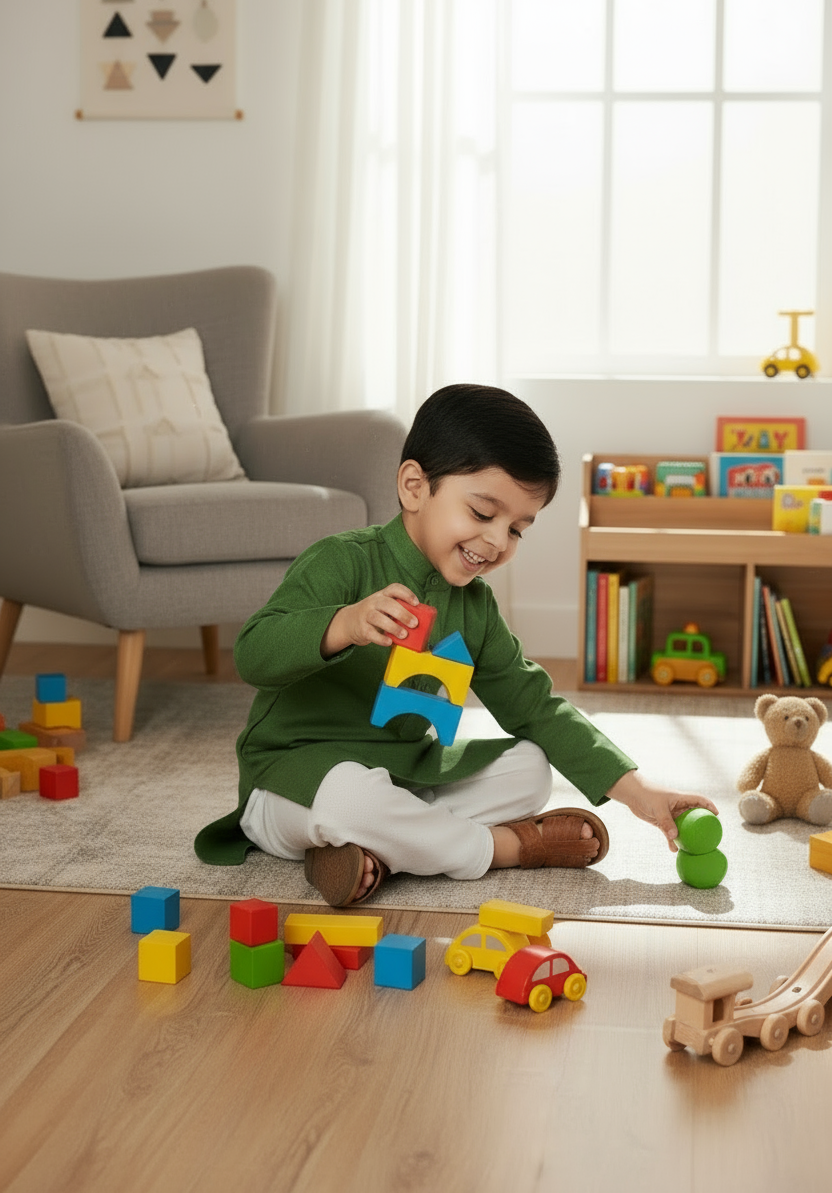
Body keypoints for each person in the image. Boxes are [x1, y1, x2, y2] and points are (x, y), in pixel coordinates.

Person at [195, 384, 717, 905]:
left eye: (517, 530)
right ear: (415, 487)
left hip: (403, 776)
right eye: (483, 513)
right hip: (292, 781)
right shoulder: (342, 561)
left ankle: (381, 851)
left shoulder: (475, 609)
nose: (496, 541)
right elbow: (253, 654)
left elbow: (535, 708)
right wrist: (345, 624)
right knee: (351, 798)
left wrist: (639, 794)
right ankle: (504, 847)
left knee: (531, 767)